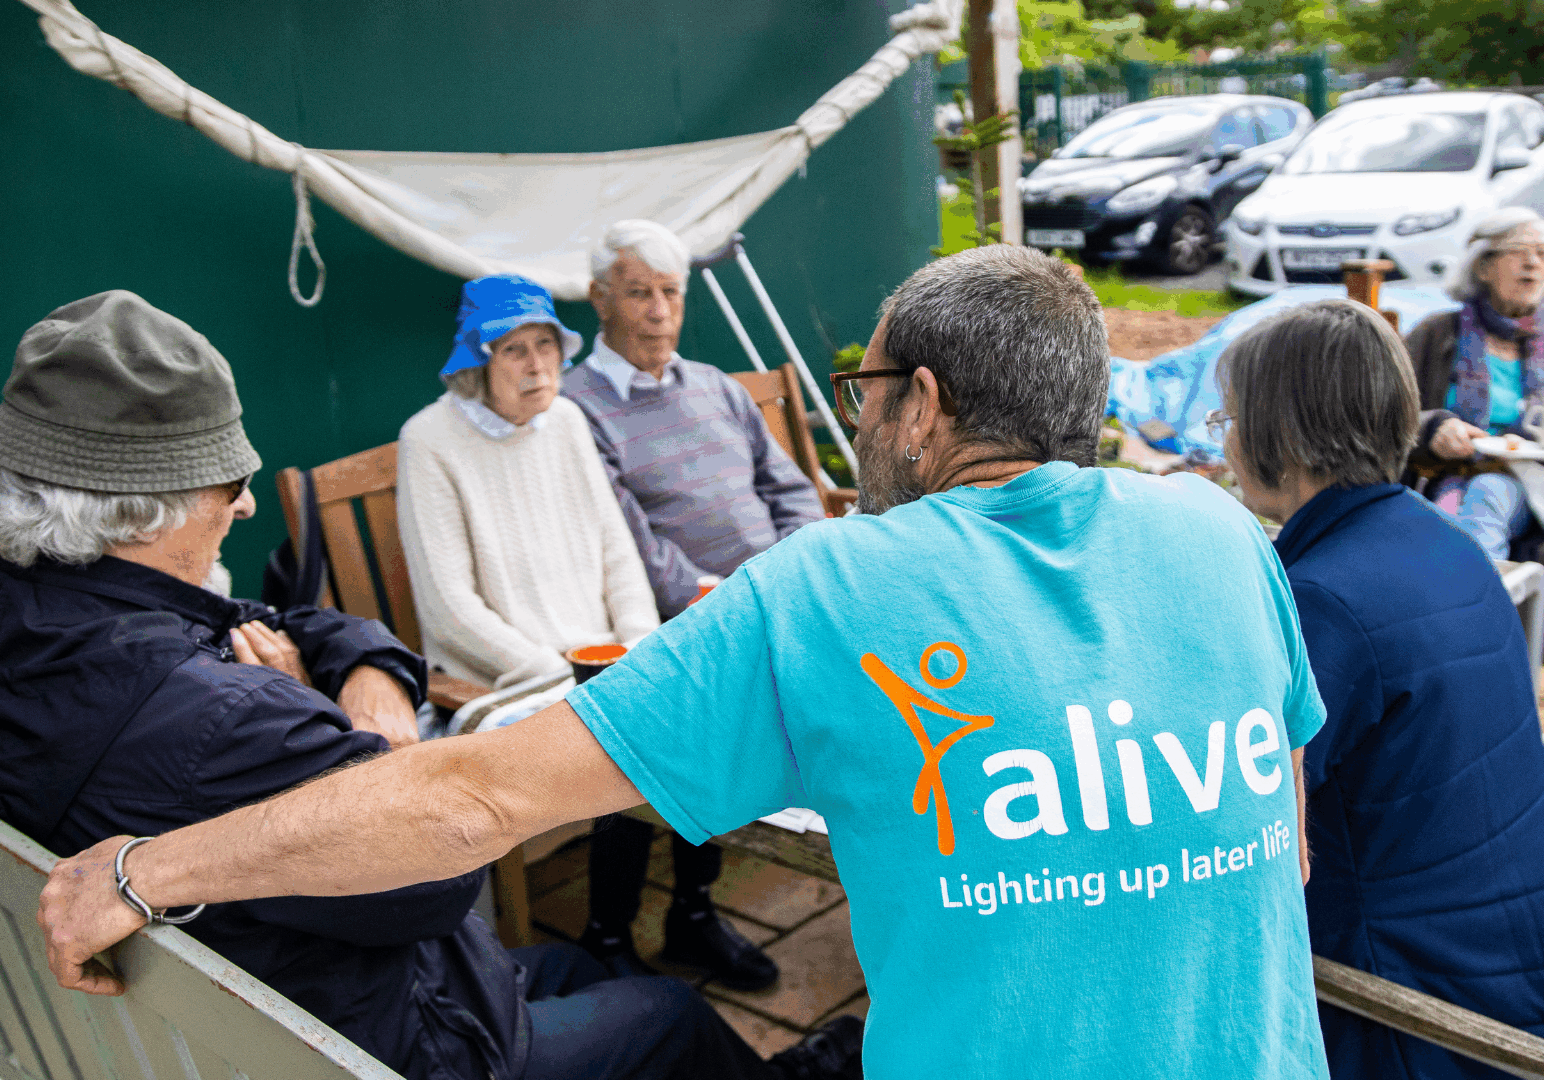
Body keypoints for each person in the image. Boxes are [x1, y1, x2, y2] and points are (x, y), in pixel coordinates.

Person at [41, 247, 1329, 1079]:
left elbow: (473, 798)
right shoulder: (1220, 529)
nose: (857, 413)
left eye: (865, 386)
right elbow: (1284, 819)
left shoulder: (832, 588)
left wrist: (144, 872)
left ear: (922, 406)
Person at [3, 290, 857, 1080]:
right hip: (381, 1039)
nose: (247, 508)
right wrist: (361, 731)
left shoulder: (63, 619)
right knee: (671, 1013)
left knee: (580, 964)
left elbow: (295, 623)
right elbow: (436, 881)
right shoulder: (223, 715)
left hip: (257, 1002)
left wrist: (368, 669)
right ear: (148, 507)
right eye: (230, 484)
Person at [1217, 298, 1544, 1079]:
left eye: (1226, 420)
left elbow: (1230, 823)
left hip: (1408, 1015)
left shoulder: (1321, 603)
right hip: (1506, 959)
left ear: (1279, 438)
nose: (1223, 444)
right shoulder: (1443, 541)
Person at [560, 220, 824, 988]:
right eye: (638, 293)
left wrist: (793, 572)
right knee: (669, 718)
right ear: (601, 300)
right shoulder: (579, 409)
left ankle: (693, 913)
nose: (657, 310)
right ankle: (606, 933)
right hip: (654, 619)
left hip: (760, 602)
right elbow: (627, 537)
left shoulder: (715, 386)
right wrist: (726, 602)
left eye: (669, 292)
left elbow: (788, 489)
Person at [397, 274, 658, 715]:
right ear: (478, 362)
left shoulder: (567, 419)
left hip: (604, 669)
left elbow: (617, 551)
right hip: (509, 683)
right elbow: (449, 610)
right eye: (514, 350)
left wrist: (638, 644)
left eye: (545, 344)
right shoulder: (427, 440)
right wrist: (557, 674)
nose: (537, 365)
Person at [1403, 207, 1544, 559]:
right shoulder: (1435, 334)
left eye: (1542, 253)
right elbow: (1384, 414)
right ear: (1482, 266)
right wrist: (1434, 428)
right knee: (1443, 516)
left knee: (1488, 492)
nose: (1532, 263)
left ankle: (1479, 608)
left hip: (1532, 484)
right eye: (1518, 251)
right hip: (1441, 475)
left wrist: (1529, 441)